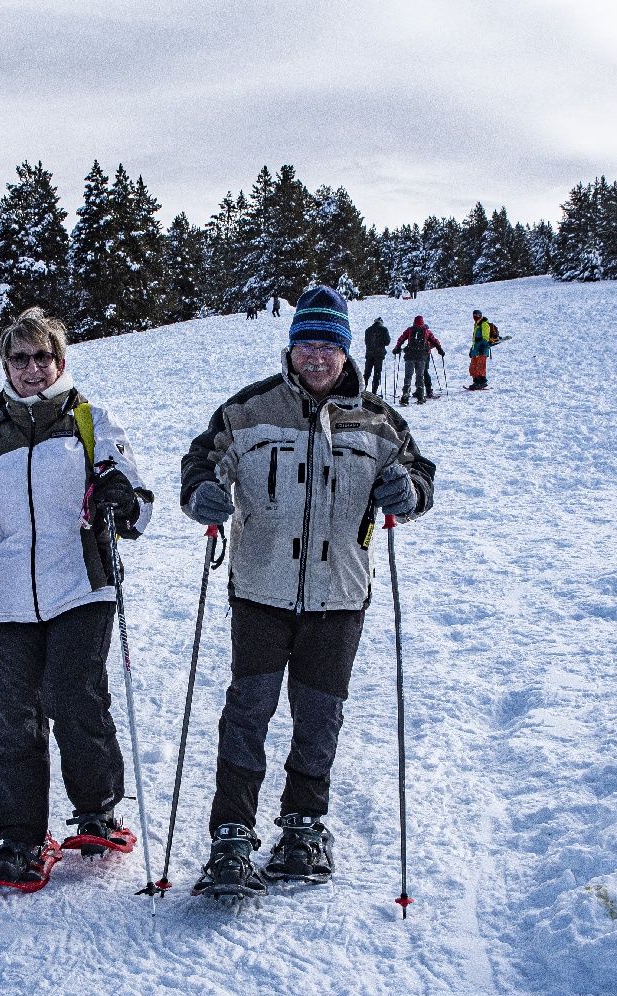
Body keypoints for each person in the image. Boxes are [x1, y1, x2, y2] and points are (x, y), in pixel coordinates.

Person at [179, 285, 436, 900]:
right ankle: (232, 836)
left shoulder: (378, 420)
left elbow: (420, 475)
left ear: (346, 351)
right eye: (306, 345)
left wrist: (409, 493)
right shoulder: (247, 410)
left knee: (319, 717)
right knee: (248, 714)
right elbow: (199, 464)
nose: (316, 358)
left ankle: (303, 826)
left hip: (339, 596)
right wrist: (203, 496)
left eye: (328, 345)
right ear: (290, 348)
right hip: (261, 591)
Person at [0, 307, 154, 892]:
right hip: (6, 601)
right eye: (19, 359)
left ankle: (98, 809)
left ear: (60, 361)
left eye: (41, 357)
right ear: (5, 365)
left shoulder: (89, 420)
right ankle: (20, 839)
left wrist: (118, 499)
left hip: (80, 587)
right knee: (16, 721)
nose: (31, 369)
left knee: (77, 699)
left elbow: (139, 502)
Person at [392, 315, 443, 404]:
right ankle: (420, 397)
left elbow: (401, 339)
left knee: (408, 376)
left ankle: (405, 396)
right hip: (421, 357)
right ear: (422, 322)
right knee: (420, 376)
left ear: (414, 322)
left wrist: (397, 348)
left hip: (410, 356)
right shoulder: (426, 331)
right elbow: (435, 341)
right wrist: (440, 350)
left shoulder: (410, 330)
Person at [467, 309, 501, 390]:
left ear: (480, 315)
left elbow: (485, 336)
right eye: (474, 315)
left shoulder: (484, 324)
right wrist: (472, 349)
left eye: (477, 315)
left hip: (482, 349)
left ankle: (482, 382)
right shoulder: (476, 325)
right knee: (473, 367)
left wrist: (483, 346)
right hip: (476, 349)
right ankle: (476, 382)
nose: (475, 316)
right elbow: (475, 340)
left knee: (480, 366)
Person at [362, 316, 390, 395]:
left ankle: (363, 389)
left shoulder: (368, 330)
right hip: (379, 355)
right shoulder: (384, 330)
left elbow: (366, 342)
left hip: (369, 354)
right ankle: (374, 392)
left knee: (367, 373)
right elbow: (387, 342)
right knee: (377, 373)